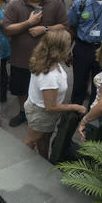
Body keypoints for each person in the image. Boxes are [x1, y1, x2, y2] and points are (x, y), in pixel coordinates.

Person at [3, 0, 68, 127]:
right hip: (21, 58)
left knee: (45, 88)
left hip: (48, 59)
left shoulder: (55, 2)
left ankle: (44, 114)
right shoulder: (15, 4)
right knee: (21, 88)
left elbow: (65, 26)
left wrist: (45, 29)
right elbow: (6, 29)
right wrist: (28, 23)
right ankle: (23, 112)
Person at [24, 29, 86, 158]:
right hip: (41, 114)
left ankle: (43, 159)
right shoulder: (49, 76)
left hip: (43, 112)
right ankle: (20, 165)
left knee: (44, 137)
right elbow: (51, 106)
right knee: (31, 141)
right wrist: (76, 107)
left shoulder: (47, 60)